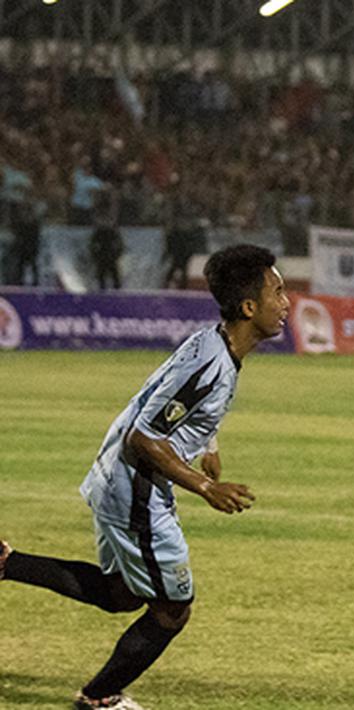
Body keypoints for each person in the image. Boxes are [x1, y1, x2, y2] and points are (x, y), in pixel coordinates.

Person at [0, 244, 289, 710]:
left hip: (117, 476)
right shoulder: (212, 363)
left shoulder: (213, 343)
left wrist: (208, 445)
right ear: (249, 306)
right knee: (173, 608)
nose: (287, 302)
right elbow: (145, 438)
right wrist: (206, 486)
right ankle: (99, 698)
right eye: (278, 291)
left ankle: (6, 562)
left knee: (122, 595)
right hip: (134, 487)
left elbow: (175, 405)